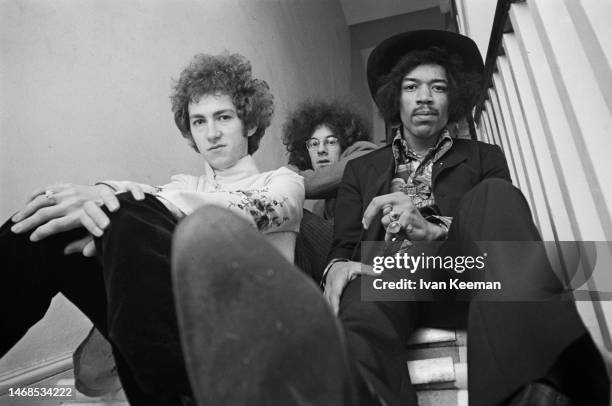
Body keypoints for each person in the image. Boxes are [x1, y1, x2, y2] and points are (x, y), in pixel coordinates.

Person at [170, 30, 608, 406]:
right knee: (364, 292)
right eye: (412, 86)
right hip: (389, 274)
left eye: (438, 88)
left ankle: (539, 383)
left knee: (495, 195)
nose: (424, 98)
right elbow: (341, 247)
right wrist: (338, 267)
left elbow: (499, 229)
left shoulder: (484, 156)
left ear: (452, 99)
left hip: (465, 273)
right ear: (394, 97)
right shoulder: (362, 169)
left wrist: (434, 227)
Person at [1, 52, 304, 405]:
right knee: (56, 222)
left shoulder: (283, 181)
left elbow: (243, 213)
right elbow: (148, 201)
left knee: (128, 214)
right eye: (199, 122)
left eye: (223, 117)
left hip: (248, 343)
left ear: (249, 124)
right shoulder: (180, 186)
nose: (212, 133)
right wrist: (102, 193)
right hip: (165, 336)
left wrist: (124, 203)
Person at [282, 99, 378, 220]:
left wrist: (282, 178)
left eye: (331, 142)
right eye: (314, 143)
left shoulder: (365, 154)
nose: (321, 150)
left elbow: (307, 184)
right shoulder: (320, 207)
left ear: (344, 145)